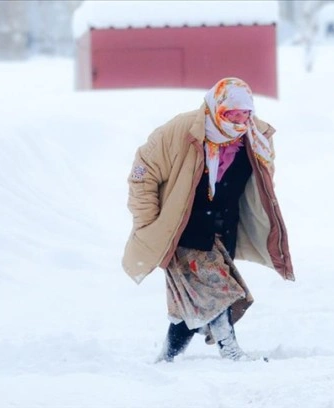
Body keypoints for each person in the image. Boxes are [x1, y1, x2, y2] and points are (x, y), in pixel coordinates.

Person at [122, 77, 295, 362]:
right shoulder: (182, 131)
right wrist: (148, 222)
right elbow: (142, 174)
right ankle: (231, 351)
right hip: (183, 228)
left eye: (245, 113)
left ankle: (166, 359)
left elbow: (262, 184)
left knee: (190, 302)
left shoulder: (257, 138)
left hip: (223, 228)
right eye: (231, 114)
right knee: (218, 290)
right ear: (216, 108)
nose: (239, 121)